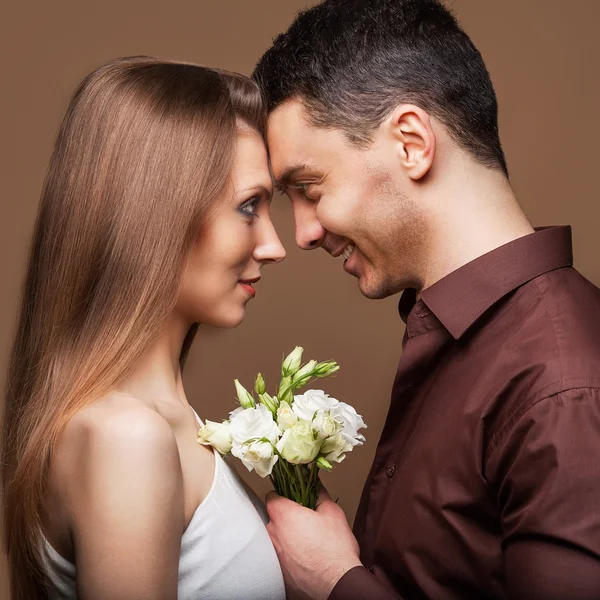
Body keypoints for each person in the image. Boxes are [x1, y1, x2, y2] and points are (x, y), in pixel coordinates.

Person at [253, 0, 600, 598]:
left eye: (309, 188)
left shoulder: (561, 387)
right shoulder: (467, 336)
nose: (303, 232)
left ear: (411, 142)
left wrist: (338, 581)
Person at [1, 56, 286, 600]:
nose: (275, 246)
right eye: (249, 206)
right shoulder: (126, 438)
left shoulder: (159, 423)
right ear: (159, 214)